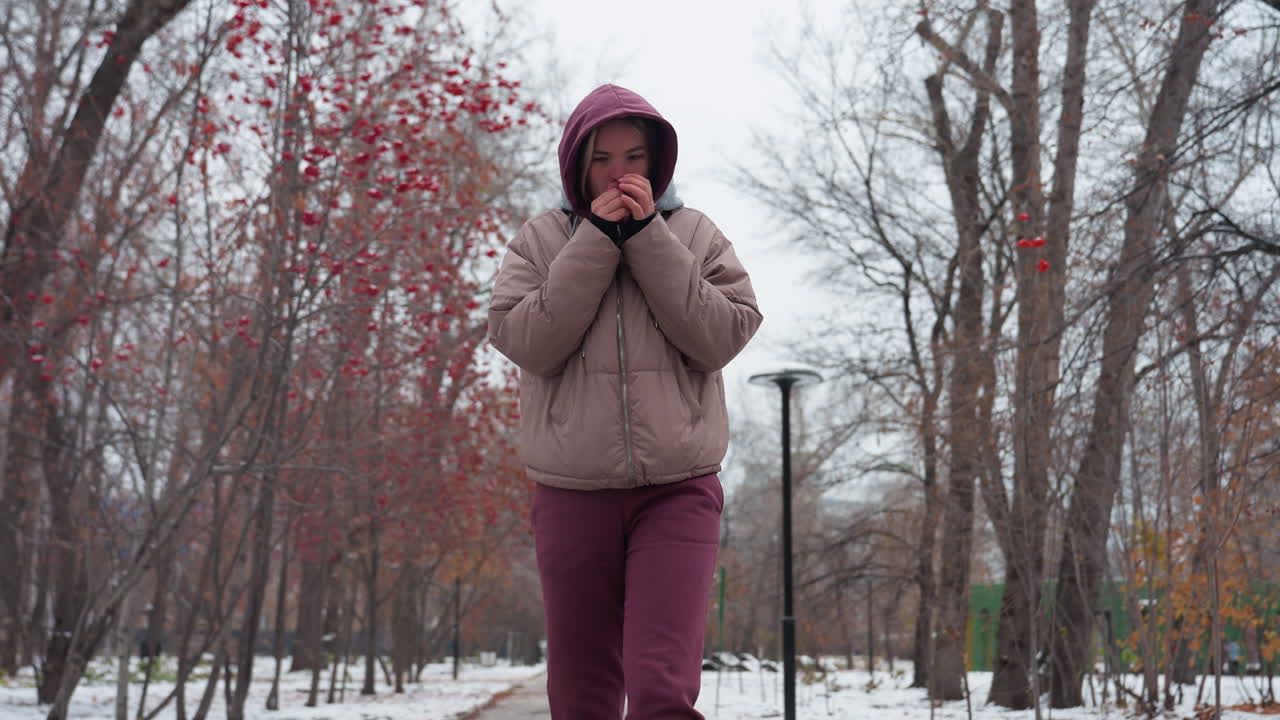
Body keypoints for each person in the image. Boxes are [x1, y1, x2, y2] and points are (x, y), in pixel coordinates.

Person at [487, 84, 763, 719]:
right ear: (578, 166)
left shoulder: (695, 233)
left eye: (634, 158)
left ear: (657, 162)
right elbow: (527, 341)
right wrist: (595, 238)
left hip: (678, 489)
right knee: (581, 693)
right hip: (569, 493)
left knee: (662, 687)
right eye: (602, 159)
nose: (619, 174)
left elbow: (722, 335)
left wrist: (646, 236)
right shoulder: (539, 241)